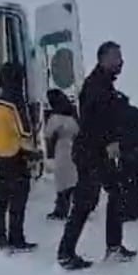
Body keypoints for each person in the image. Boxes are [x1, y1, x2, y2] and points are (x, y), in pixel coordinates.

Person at [57, 41, 137, 270]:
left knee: (117, 192)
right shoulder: (95, 86)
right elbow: (95, 121)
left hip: (100, 152)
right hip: (90, 153)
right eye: (116, 57)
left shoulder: (104, 84)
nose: (121, 62)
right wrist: (110, 141)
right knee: (84, 203)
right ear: (103, 59)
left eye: (121, 57)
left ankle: (114, 246)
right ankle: (65, 253)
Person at [0, 63, 37, 252]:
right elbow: (25, 132)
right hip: (13, 156)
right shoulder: (14, 101)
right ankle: (16, 238)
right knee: (18, 200)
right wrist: (32, 152)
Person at [44, 89, 79, 220]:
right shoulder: (72, 116)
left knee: (62, 182)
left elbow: (48, 134)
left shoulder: (55, 118)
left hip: (61, 149)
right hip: (73, 148)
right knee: (72, 180)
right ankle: (76, 207)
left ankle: (61, 210)